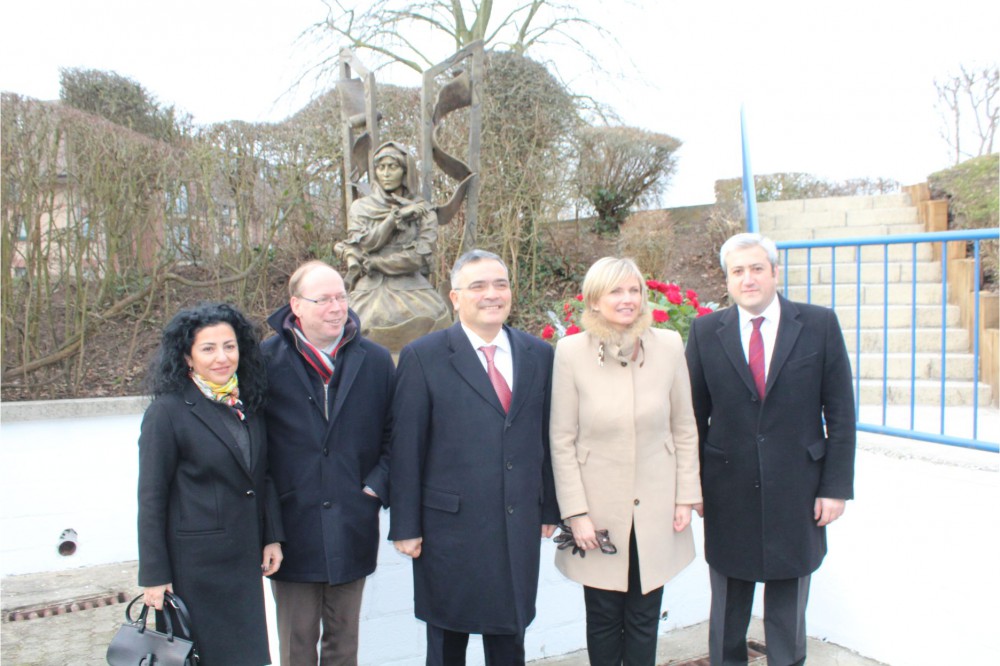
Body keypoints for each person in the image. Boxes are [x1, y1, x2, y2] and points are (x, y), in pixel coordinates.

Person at [684, 233, 856, 666]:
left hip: (798, 488)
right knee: (727, 609)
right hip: (727, 490)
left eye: (757, 268)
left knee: (787, 609)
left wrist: (835, 488)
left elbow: (840, 414)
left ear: (775, 273)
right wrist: (692, 487)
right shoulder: (705, 331)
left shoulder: (818, 324)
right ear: (726, 280)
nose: (748, 279)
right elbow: (690, 417)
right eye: (737, 271)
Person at [389, 249, 560, 666]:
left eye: (500, 284)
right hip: (449, 530)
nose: (491, 294)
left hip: (517, 523)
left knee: (509, 639)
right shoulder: (423, 356)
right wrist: (405, 527)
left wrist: (549, 509)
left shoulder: (539, 354)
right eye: (478, 286)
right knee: (449, 642)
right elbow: (406, 447)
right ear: (455, 297)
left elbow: (547, 437)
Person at [549, 257, 702, 665]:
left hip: (657, 505)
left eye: (634, 290)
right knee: (602, 616)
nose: (627, 299)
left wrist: (686, 496)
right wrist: (576, 513)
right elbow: (562, 440)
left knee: (644, 615)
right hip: (597, 510)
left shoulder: (668, 345)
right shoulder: (570, 352)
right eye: (616, 291)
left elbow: (684, 427)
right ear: (594, 300)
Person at [262, 260, 395, 665]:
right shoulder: (264, 361)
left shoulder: (373, 359)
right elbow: (254, 450)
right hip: (292, 527)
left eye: (341, 296)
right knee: (297, 644)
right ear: (296, 305)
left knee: (343, 642)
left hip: (352, 521)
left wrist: (375, 486)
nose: (336, 307)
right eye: (324, 299)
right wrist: (267, 525)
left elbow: (396, 434)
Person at [138, 301, 284, 665]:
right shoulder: (167, 412)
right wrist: (154, 576)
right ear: (187, 357)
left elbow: (261, 474)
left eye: (229, 346)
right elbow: (151, 498)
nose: (222, 357)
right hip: (195, 571)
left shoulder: (245, 403)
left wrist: (271, 535)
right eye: (208, 348)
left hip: (243, 561)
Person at [334, 141, 451, 350]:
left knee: (438, 322)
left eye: (393, 167)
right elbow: (366, 243)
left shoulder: (424, 211)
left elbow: (420, 256)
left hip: (411, 286)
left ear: (405, 171)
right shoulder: (361, 208)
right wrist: (394, 218)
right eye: (381, 167)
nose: (386, 173)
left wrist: (378, 263)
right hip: (370, 286)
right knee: (354, 325)